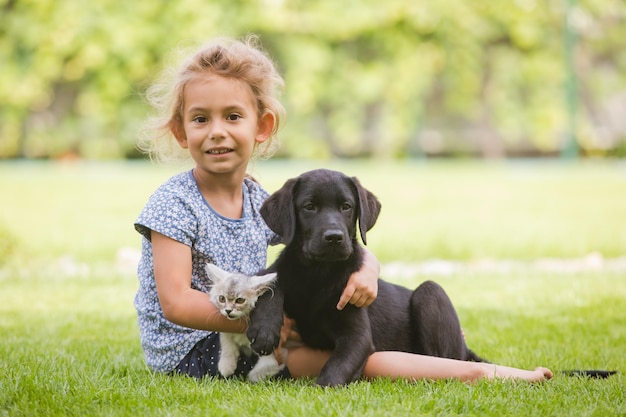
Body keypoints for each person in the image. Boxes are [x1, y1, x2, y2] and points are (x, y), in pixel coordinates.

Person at [133, 35, 553, 383]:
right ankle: (478, 374)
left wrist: (367, 271)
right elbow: (175, 303)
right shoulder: (174, 203)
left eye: (233, 116)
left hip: (258, 330)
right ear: (180, 130)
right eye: (201, 119)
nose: (217, 132)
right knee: (361, 363)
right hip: (196, 348)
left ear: (260, 127)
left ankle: (468, 366)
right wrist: (266, 321)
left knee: (347, 344)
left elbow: (319, 249)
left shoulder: (258, 200)